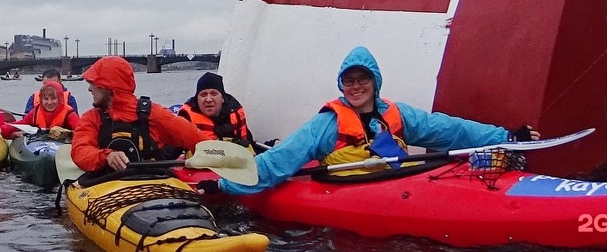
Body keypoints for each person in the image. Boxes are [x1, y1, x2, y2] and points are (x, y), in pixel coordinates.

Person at [213, 46, 540, 195]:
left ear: (375, 81)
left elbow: (450, 130)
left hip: (399, 184)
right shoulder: (327, 123)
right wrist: (225, 185)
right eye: (349, 81)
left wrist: (506, 137)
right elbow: (281, 159)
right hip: (349, 189)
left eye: (362, 80)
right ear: (341, 85)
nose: (356, 87)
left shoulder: (397, 114)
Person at [71, 56, 212, 176]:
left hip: (150, 184)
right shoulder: (91, 118)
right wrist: (107, 156)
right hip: (106, 185)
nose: (89, 89)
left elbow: (200, 143)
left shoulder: (155, 114)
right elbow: (79, 152)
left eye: (92, 83)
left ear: (106, 86)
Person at [175, 72, 254, 148]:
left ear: (222, 98)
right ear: (197, 99)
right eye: (203, 95)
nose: (208, 99)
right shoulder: (186, 117)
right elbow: (172, 149)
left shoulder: (235, 113)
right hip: (198, 160)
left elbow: (248, 142)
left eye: (214, 94)